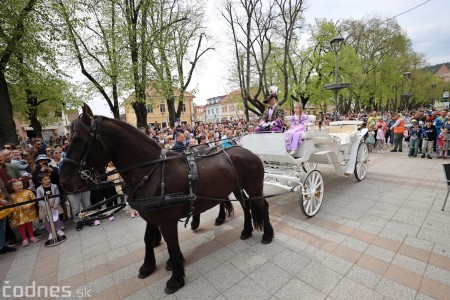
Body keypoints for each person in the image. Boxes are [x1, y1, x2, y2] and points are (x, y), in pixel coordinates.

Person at [9, 179, 40, 246]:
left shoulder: (28, 192)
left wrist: (27, 205)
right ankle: (24, 239)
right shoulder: (11, 196)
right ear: (12, 187)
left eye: (21, 185)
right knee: (21, 226)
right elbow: (10, 205)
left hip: (28, 212)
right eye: (17, 186)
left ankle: (32, 236)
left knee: (29, 224)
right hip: (19, 214)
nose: (20, 187)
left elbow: (34, 200)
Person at [36, 173, 65, 241]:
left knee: (56, 218)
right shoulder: (39, 189)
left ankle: (58, 230)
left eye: (48, 178)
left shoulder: (54, 186)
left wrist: (56, 204)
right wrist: (46, 206)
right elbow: (39, 199)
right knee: (46, 220)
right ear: (41, 181)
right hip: (45, 206)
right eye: (45, 179)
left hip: (54, 204)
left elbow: (57, 195)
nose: (47, 180)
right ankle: (50, 233)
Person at [0, 178, 16, 254]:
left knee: (2, 227)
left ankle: (1, 246)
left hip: (3, 205)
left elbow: (3, 187)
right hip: (1, 202)